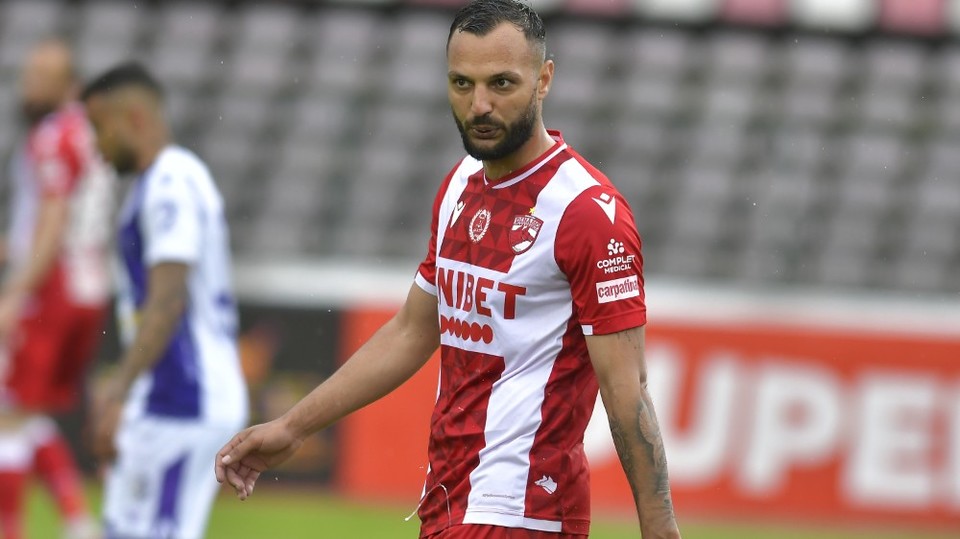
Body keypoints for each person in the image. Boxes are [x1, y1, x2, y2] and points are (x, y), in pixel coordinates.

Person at [216, 1, 681, 538]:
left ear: (544, 80)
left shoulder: (586, 213)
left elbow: (627, 391)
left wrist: (659, 526)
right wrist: (292, 428)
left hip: (523, 506)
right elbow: (413, 330)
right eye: (462, 83)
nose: (478, 104)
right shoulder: (460, 184)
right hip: (449, 498)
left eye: (501, 84)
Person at [81, 62, 248, 539]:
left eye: (99, 127)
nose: (96, 144)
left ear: (133, 117)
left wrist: (117, 393)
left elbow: (167, 302)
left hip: (182, 397)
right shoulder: (164, 182)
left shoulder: (170, 182)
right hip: (171, 396)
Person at [0, 39, 113, 539]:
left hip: (51, 287)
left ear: (68, 84)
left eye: (42, 76)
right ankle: (76, 520)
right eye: (29, 74)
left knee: (7, 412)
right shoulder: (87, 132)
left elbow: (54, 215)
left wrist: (16, 290)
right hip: (88, 286)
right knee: (30, 410)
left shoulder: (50, 136)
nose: (30, 85)